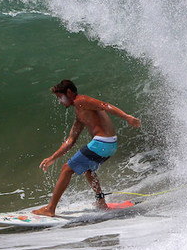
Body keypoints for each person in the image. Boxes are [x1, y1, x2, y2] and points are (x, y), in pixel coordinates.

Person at [32, 80, 141, 217]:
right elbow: (71, 140)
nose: (59, 101)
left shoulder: (81, 101)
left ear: (69, 92)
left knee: (66, 169)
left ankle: (50, 209)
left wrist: (127, 117)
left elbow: (105, 106)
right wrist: (52, 158)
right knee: (88, 170)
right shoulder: (79, 112)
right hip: (110, 145)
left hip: (102, 143)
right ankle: (101, 202)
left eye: (60, 97)